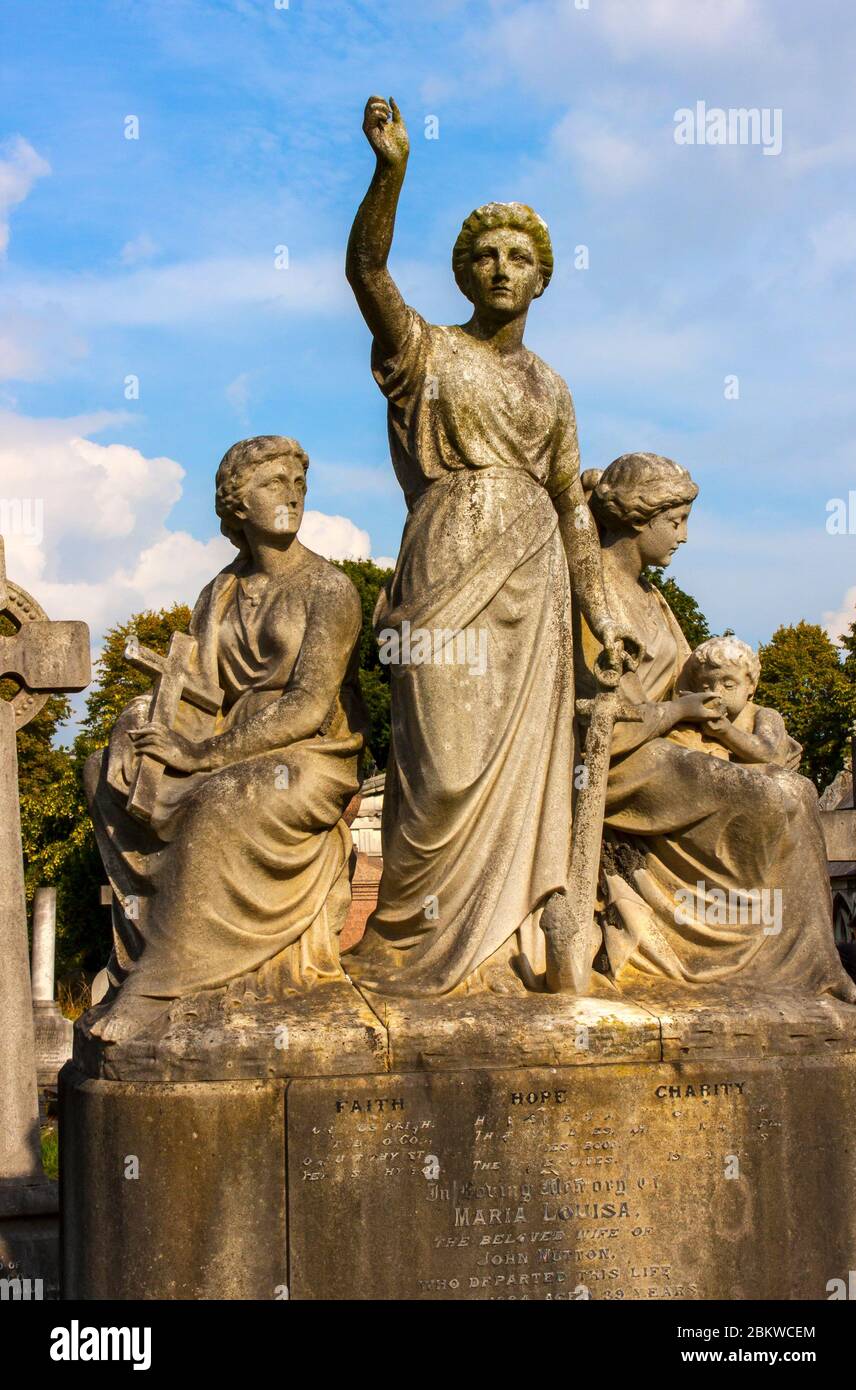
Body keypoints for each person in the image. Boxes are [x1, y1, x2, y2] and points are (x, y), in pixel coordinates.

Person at [344, 95, 638, 996]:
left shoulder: (551, 388)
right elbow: (367, 273)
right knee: (438, 772)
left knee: (527, 778)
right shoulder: (426, 351)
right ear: (465, 273)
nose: (502, 268)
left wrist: (602, 611)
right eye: (485, 255)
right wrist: (390, 173)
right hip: (446, 567)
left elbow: (572, 505)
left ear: (543, 279)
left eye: (521, 258)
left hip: (536, 587)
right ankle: (413, 949)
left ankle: (506, 951)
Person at [84, 435, 366, 1042]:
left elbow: (310, 706)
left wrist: (198, 755)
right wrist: (146, 723)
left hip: (307, 755)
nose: (291, 495)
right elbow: (196, 692)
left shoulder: (329, 590)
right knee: (105, 769)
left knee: (220, 801)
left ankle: (158, 983)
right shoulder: (221, 592)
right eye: (273, 484)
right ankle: (138, 951)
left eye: (299, 483)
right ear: (237, 506)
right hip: (226, 741)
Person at [577, 452, 856, 1003]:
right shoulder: (598, 598)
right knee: (779, 797)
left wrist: (749, 726)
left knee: (795, 790)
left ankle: (812, 967)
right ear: (640, 518)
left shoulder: (655, 601)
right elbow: (599, 718)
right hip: (618, 764)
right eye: (676, 521)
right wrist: (680, 714)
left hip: (664, 750)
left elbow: (698, 690)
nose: (684, 536)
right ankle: (796, 967)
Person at [671, 635, 802, 770]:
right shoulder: (695, 722)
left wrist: (726, 732)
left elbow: (770, 754)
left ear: (751, 686)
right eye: (705, 687)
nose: (716, 692)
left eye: (728, 685)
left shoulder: (765, 715)